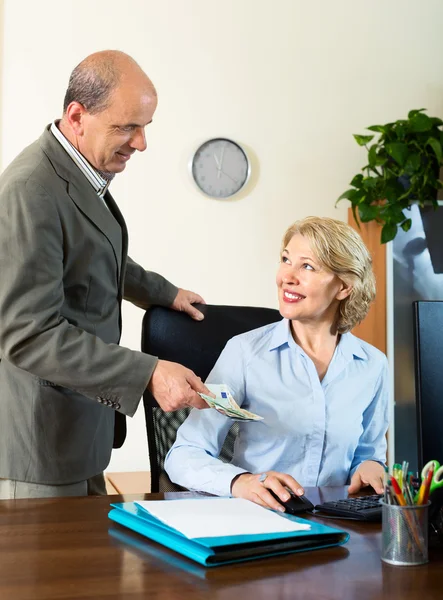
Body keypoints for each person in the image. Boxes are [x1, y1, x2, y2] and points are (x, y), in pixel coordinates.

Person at [0, 50, 211, 500]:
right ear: (77, 116)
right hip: (40, 449)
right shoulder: (31, 190)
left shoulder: (77, 172)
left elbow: (90, 253)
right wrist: (147, 372)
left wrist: (162, 292)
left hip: (81, 438)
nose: (140, 143)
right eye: (126, 127)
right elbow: (27, 335)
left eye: (145, 128)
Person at [165, 216, 389, 511]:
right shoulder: (245, 353)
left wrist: (372, 465)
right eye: (286, 260)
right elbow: (184, 454)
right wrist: (240, 482)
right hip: (260, 518)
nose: (287, 276)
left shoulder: (372, 365)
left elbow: (369, 452)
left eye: (307, 266)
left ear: (344, 287)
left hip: (340, 521)